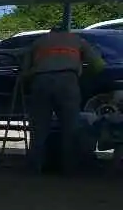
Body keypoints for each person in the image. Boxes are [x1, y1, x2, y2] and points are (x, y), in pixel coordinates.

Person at [18, 28, 105, 173]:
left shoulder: (38, 42)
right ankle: (69, 169)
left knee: (39, 128)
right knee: (70, 127)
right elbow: (99, 65)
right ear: (67, 32)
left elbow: (24, 72)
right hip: (68, 80)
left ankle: (34, 168)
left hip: (41, 81)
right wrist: (82, 76)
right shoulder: (78, 40)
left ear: (51, 33)